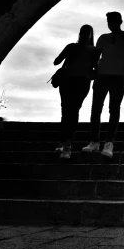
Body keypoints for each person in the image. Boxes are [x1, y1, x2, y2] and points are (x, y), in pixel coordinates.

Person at [82, 12, 124, 158]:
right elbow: (96, 56)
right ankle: (94, 142)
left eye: (112, 21)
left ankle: (109, 143)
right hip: (101, 76)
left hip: (119, 77)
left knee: (114, 109)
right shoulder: (102, 38)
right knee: (96, 109)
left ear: (120, 21)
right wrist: (93, 70)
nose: (110, 24)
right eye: (108, 21)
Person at [53, 25, 100, 159]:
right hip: (80, 82)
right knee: (71, 111)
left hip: (71, 81)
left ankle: (65, 143)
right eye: (83, 33)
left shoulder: (72, 47)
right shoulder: (93, 50)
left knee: (68, 110)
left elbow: (56, 61)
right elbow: (96, 70)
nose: (84, 35)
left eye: (85, 33)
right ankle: (66, 144)